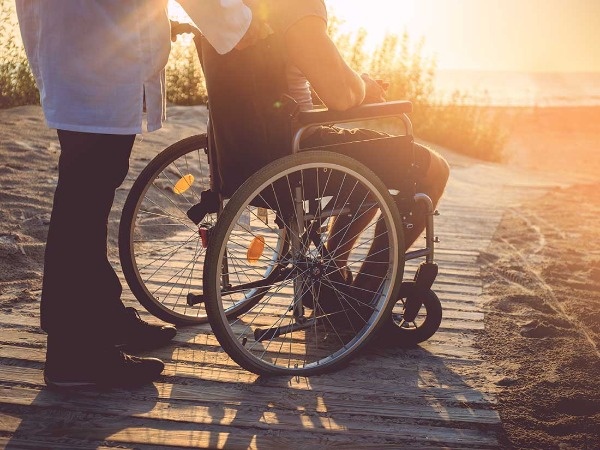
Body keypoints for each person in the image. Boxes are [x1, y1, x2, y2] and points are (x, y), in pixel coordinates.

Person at [15, 0, 266, 389]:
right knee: (84, 199)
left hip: (80, 45)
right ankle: (74, 353)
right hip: (95, 53)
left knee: (88, 192)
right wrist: (236, 23)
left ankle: (99, 317)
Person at [200, 0, 450, 299]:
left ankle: (331, 277)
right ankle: (365, 296)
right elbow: (341, 95)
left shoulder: (228, 10)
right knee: (434, 169)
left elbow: (272, 80)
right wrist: (365, 87)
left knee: (369, 159)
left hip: (239, 155)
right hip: (295, 154)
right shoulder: (295, 7)